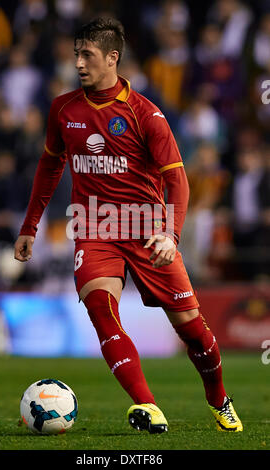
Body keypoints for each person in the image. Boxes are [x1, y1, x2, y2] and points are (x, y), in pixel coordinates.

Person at [14, 17, 243, 433]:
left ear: (112, 58)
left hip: (148, 229)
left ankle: (219, 398)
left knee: (193, 331)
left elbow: (178, 180)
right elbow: (49, 166)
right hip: (94, 228)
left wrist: (171, 236)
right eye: (76, 54)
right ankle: (147, 406)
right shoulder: (63, 108)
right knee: (101, 309)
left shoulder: (145, 114)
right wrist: (30, 225)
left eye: (88, 55)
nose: (79, 63)